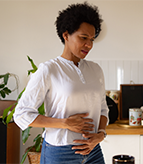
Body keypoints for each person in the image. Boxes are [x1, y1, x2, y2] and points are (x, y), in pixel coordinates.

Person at [13, 2, 109, 164]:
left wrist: (100, 134)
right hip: (60, 152)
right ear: (66, 35)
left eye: (92, 39)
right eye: (83, 38)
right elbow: (22, 114)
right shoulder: (48, 69)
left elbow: (102, 108)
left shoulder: (95, 70)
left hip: (93, 152)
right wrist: (65, 123)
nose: (89, 45)